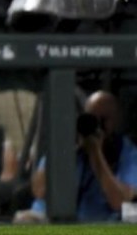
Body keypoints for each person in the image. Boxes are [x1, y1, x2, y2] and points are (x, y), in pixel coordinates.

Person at [20, 91, 137, 223]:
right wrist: (68, 150)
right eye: (92, 119)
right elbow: (39, 191)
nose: (97, 126)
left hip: (94, 226)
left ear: (117, 121)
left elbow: (120, 202)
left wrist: (95, 154)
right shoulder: (69, 144)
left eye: (103, 120)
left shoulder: (128, 154)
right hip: (51, 221)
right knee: (24, 221)